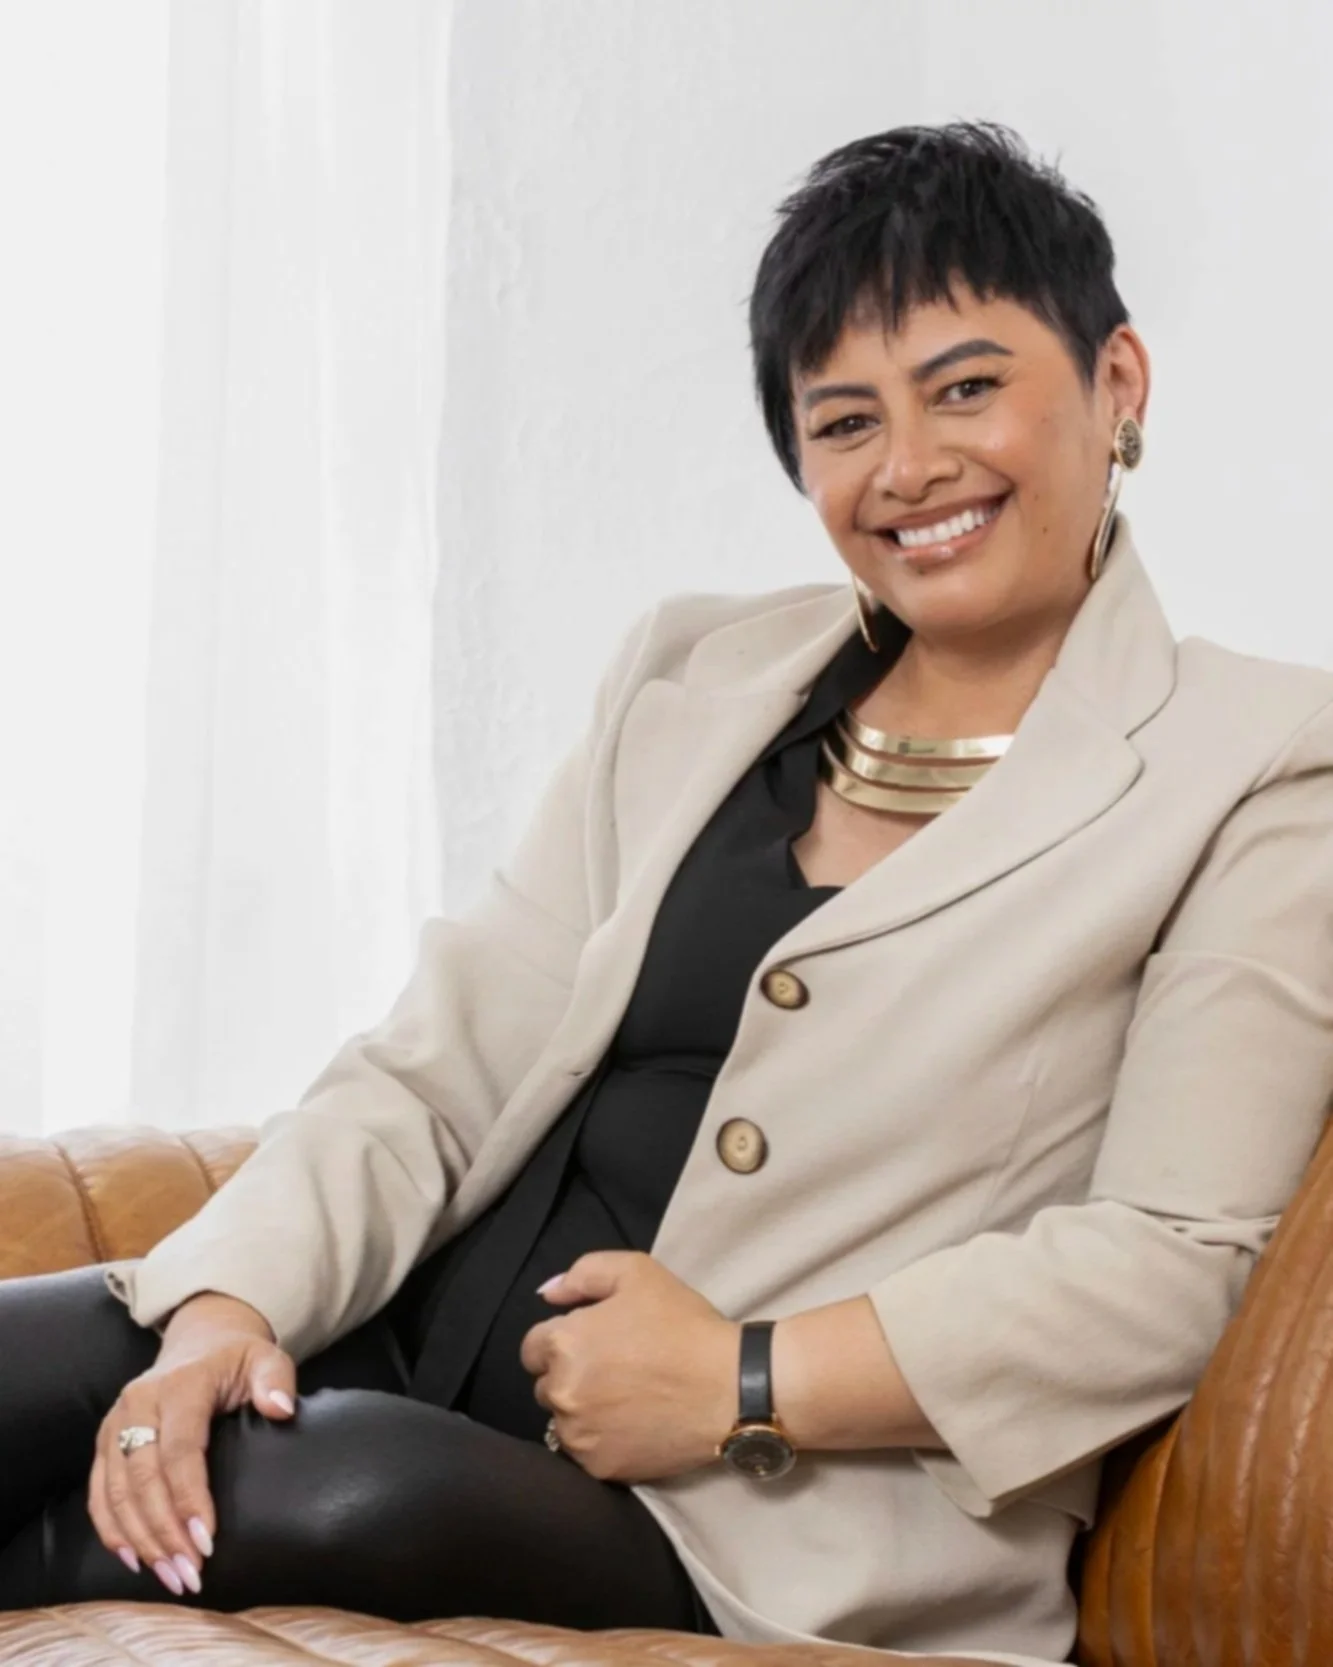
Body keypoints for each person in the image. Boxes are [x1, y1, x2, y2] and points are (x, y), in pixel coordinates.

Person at [3, 121, 1333, 1667]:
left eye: (967, 386)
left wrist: (744, 1377)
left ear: (1118, 384)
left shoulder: (1259, 764)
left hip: (733, 1501)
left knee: (320, 1492)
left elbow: (1170, 1254)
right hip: (398, 1330)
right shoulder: (695, 675)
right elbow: (440, 1066)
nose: (910, 466)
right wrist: (231, 1303)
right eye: (844, 420)